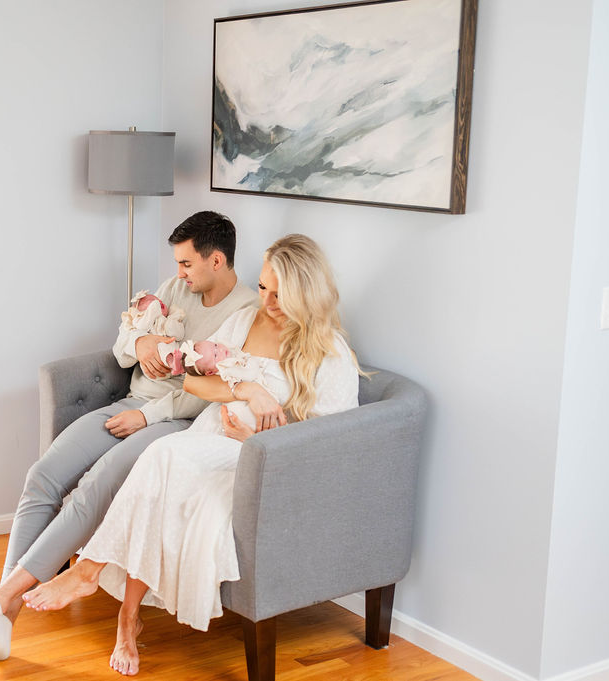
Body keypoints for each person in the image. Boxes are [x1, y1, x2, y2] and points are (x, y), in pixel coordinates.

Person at [22, 234, 365, 676]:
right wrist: (247, 389)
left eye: (280, 295)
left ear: (308, 294)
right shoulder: (247, 321)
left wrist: (254, 440)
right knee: (161, 461)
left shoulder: (330, 354)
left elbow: (329, 443)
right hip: (207, 436)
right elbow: (193, 379)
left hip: (256, 458)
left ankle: (98, 582)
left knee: (166, 462)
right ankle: (118, 607)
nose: (267, 301)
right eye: (264, 287)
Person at [0, 211, 259, 659]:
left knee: (96, 485)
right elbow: (124, 344)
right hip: (128, 404)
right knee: (42, 475)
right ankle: (3, 617)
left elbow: (217, 392)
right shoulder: (175, 290)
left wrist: (147, 417)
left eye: (186, 263)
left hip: (173, 423)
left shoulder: (245, 314)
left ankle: (1, 607)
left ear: (217, 260)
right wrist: (141, 344)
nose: (179, 272)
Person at [121, 290, 186, 339]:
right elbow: (142, 328)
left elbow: (180, 335)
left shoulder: (171, 317)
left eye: (158, 300)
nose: (159, 301)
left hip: (167, 349)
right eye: (152, 301)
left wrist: (168, 325)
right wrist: (152, 312)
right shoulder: (139, 322)